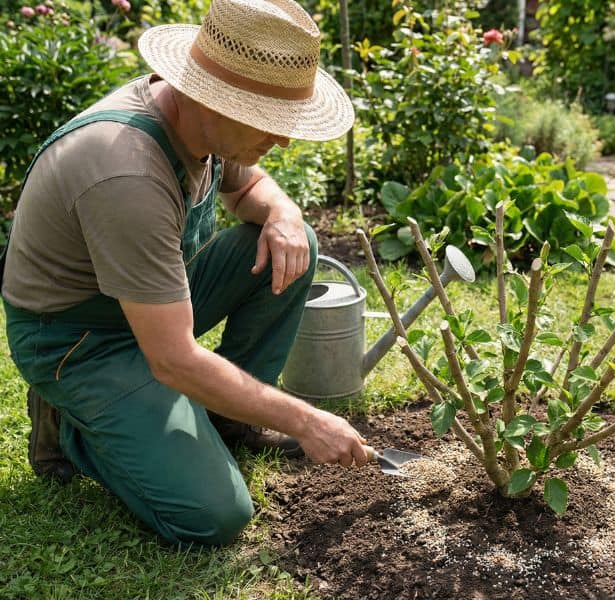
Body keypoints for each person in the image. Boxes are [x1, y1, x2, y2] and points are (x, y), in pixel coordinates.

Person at [1, 0, 371, 546]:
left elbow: (248, 189)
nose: (285, 141)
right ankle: (73, 428)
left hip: (150, 304)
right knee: (215, 515)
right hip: (80, 338)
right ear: (212, 98)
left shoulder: (204, 123)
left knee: (293, 246)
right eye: (272, 123)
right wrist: (305, 419)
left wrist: (285, 213)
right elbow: (172, 359)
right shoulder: (124, 170)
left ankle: (229, 419)